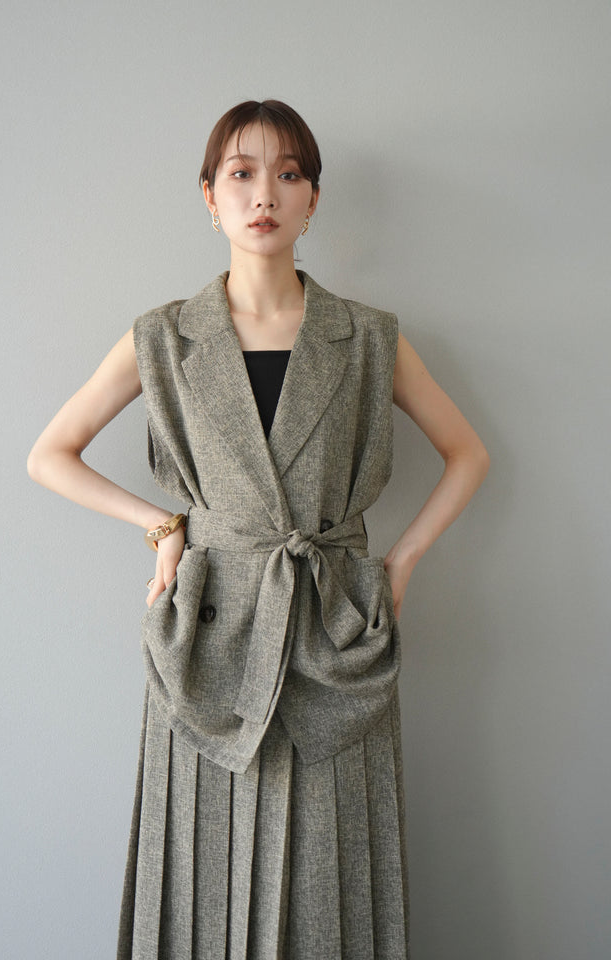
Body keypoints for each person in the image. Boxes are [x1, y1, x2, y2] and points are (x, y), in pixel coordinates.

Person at [27, 99, 489, 960]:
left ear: (314, 199)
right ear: (210, 196)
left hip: (333, 628)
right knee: (199, 865)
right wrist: (162, 526)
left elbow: (468, 454)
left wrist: (401, 564)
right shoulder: (165, 337)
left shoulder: (368, 338)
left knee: (331, 871)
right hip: (209, 635)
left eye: (288, 173)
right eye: (241, 173)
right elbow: (49, 454)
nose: (264, 193)